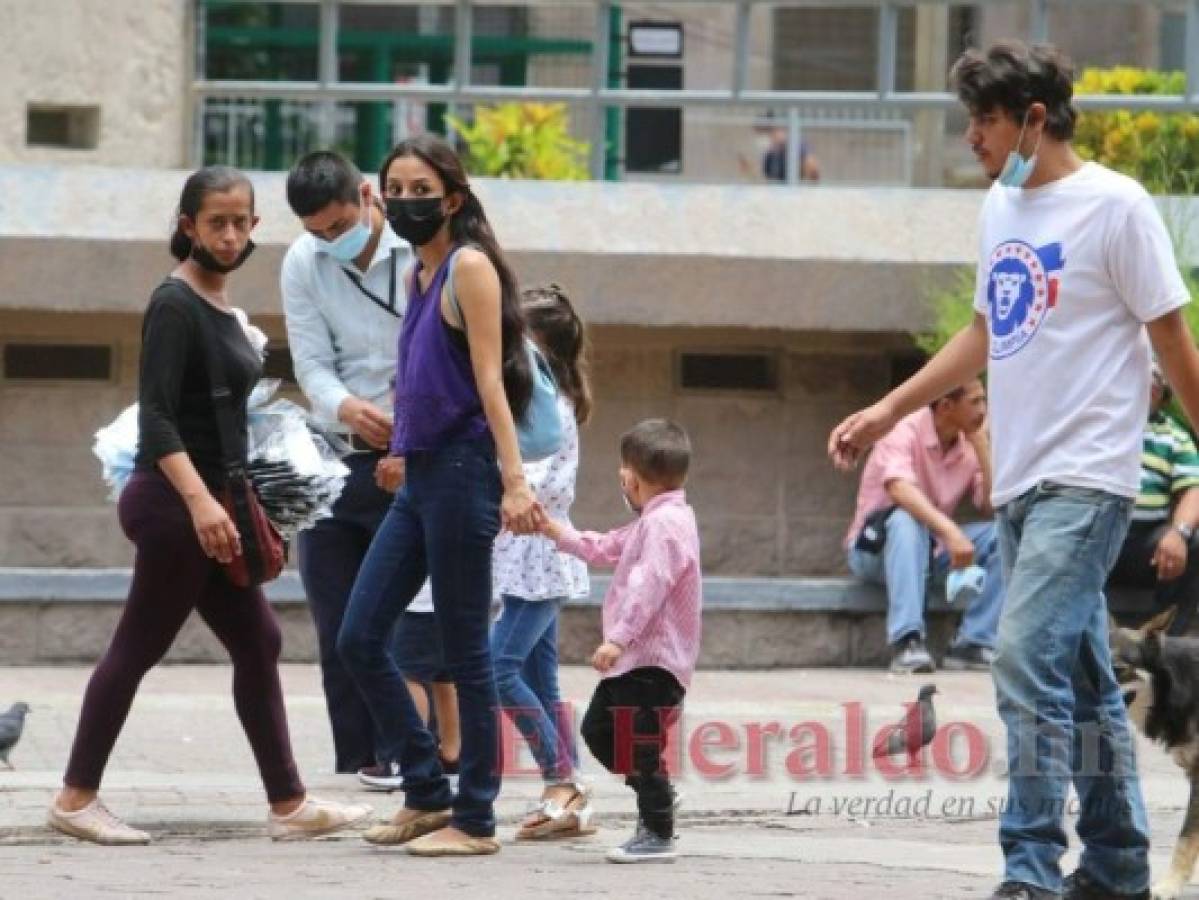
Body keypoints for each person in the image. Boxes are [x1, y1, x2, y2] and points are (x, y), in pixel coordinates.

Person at [830, 41, 1199, 900]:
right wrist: (890, 407)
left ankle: (1027, 868)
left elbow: (1172, 345)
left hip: (1088, 481)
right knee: (1081, 678)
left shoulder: (1117, 207)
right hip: (1025, 487)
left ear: (1035, 118)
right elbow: (981, 331)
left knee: (1020, 657)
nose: (971, 138)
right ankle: (1112, 866)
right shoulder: (1002, 213)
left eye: (984, 120)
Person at [48, 166, 371, 845]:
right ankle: (76, 798)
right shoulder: (174, 303)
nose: (229, 234)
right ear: (186, 224)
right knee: (138, 646)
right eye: (215, 222)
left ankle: (288, 804)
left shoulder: (219, 307)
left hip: (210, 500)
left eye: (240, 221)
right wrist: (201, 504)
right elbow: (160, 421)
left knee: (260, 640)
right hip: (174, 503)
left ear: (256, 225)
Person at [336, 134, 543, 857]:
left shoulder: (469, 268)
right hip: (421, 474)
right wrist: (398, 448)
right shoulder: (420, 277)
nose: (405, 202)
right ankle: (426, 793)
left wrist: (514, 480)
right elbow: (422, 377)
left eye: (421, 190)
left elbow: (489, 380)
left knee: (463, 653)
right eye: (393, 188)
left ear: (453, 199)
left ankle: (475, 818)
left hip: (463, 475)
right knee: (359, 636)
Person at [281, 150, 412, 777]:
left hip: (409, 458)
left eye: (339, 226)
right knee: (336, 623)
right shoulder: (302, 261)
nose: (331, 242)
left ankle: (408, 753)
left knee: (396, 622)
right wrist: (347, 406)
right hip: (334, 456)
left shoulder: (420, 251)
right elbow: (309, 363)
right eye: (317, 232)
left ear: (366, 195)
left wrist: (407, 431)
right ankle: (358, 760)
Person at [542, 419, 702, 864]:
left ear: (628, 478)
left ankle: (657, 830)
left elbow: (648, 585)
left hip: (652, 663)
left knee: (638, 745)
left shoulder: (665, 525)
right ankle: (658, 795)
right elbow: (610, 547)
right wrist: (561, 535)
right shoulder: (659, 519)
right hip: (636, 663)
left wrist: (617, 638)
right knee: (599, 730)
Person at [490, 284, 594, 840]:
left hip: (540, 554)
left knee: (496, 668)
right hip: (527, 555)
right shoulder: (538, 402)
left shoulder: (548, 408)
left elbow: (529, 482)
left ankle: (563, 780)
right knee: (540, 678)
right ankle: (570, 798)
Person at [846, 379, 1005, 673]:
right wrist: (951, 532)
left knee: (1003, 536)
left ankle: (974, 642)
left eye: (985, 401)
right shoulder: (902, 429)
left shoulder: (968, 442)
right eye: (976, 402)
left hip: (932, 552)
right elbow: (899, 489)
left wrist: (982, 446)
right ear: (946, 406)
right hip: (874, 551)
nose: (984, 410)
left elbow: (991, 505)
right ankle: (907, 642)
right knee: (907, 519)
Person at [1109, 361, 1199, 636]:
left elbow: (1193, 490)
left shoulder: (1174, 437)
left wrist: (1179, 533)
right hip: (1098, 529)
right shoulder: (1100, 427)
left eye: (1150, 386)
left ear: (1160, 395)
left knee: (1194, 542)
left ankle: (1169, 641)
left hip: (1145, 540)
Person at [358, 581, 461, 791]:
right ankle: (452, 757)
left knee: (407, 676)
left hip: (422, 603)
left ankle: (406, 760)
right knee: (444, 677)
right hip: (455, 598)